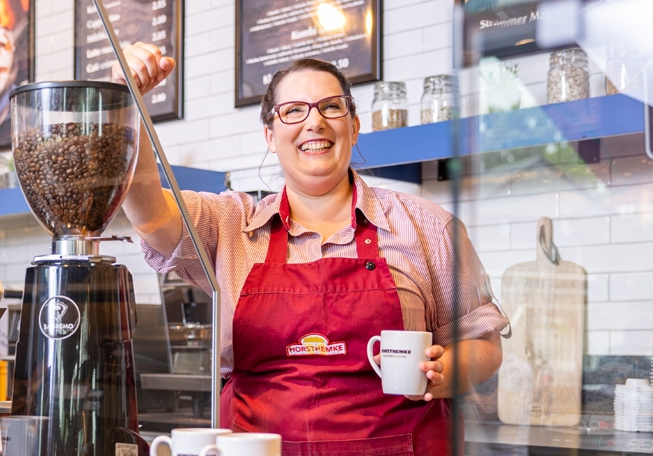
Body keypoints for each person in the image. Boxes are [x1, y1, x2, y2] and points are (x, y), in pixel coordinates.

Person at [115, 42, 509, 455]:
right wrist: (127, 100)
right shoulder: (230, 226)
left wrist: (444, 372)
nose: (314, 122)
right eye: (293, 111)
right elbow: (148, 209)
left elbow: (483, 343)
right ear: (270, 135)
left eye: (331, 107)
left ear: (353, 127)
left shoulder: (428, 226)